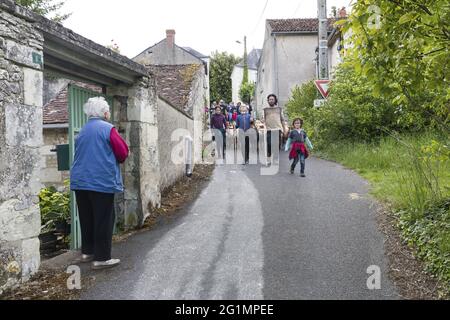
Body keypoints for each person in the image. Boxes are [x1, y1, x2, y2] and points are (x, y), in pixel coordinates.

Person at [70, 97, 129, 270]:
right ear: (104, 113)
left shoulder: (82, 130)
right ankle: (102, 258)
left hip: (80, 181)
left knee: (87, 217)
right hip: (100, 181)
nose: (109, 113)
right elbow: (122, 152)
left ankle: (88, 252)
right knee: (103, 219)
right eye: (108, 110)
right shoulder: (108, 128)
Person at [262, 94, 288, 164]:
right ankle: (269, 157)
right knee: (269, 144)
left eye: (272, 99)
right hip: (269, 129)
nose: (271, 101)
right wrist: (263, 121)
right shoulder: (265, 109)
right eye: (269, 99)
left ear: (275, 100)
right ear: (268, 101)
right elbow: (263, 118)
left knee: (277, 144)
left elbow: (282, 119)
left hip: (278, 129)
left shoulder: (279, 109)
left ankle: (275, 158)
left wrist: (284, 128)